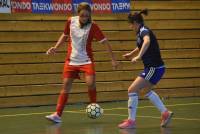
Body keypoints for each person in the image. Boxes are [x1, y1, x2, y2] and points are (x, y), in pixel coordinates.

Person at [45, 2, 118, 123]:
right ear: (78, 14)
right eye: (82, 15)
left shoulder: (93, 26)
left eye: (87, 16)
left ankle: (94, 106)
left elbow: (105, 42)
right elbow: (64, 35)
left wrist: (113, 59)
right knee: (66, 86)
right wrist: (56, 47)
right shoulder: (70, 21)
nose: (85, 18)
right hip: (71, 60)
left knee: (90, 83)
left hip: (86, 60)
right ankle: (57, 115)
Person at [118, 9, 173, 129]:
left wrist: (138, 57)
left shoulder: (144, 31)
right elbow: (140, 45)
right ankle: (165, 113)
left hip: (154, 68)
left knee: (132, 90)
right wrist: (131, 54)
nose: (130, 27)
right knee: (146, 91)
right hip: (156, 68)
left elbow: (147, 41)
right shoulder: (140, 33)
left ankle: (131, 121)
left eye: (131, 24)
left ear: (136, 23)